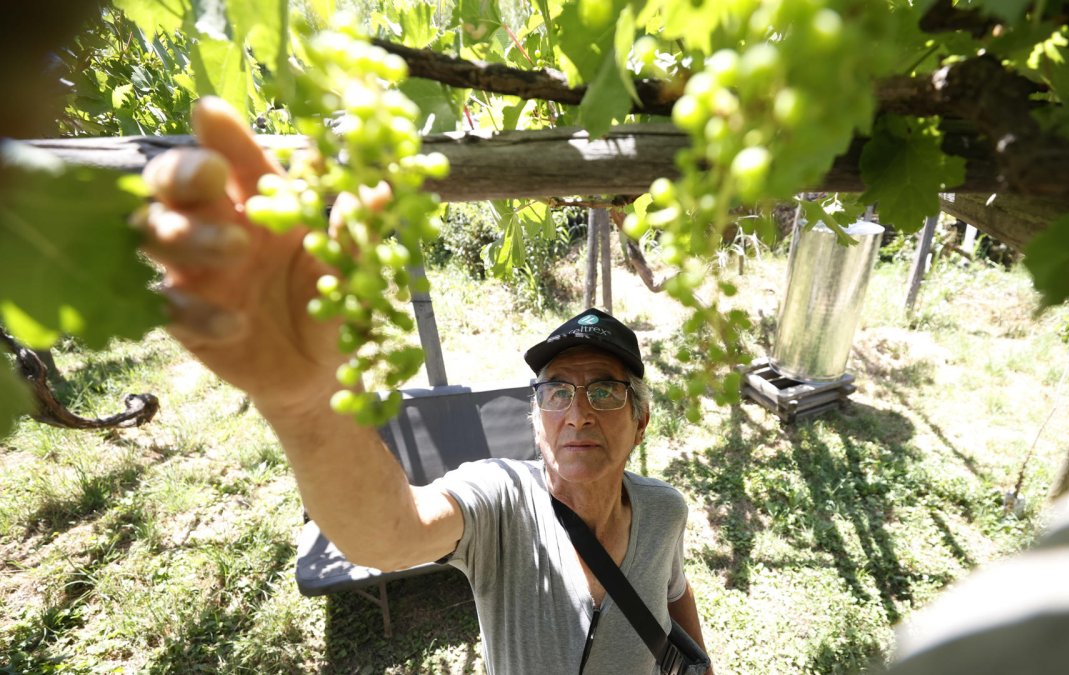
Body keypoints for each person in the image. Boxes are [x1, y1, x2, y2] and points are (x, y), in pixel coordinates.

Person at [140, 96, 711, 674]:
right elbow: (388, 534)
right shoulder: (502, 503)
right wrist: (305, 404)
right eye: (556, 392)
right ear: (534, 420)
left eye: (605, 391)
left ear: (640, 421)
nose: (578, 413)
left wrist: (703, 663)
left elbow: (671, 594)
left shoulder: (665, 510)